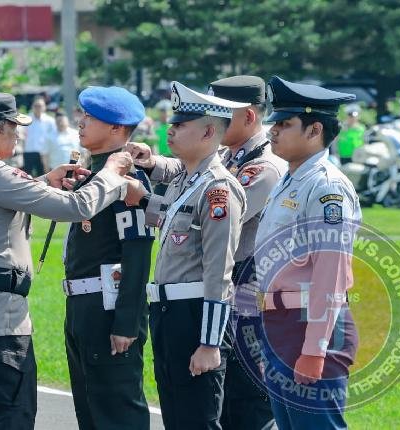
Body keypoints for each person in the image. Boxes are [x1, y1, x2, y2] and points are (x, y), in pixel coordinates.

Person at [0, 92, 142, 430]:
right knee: (7, 418)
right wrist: (111, 173)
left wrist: (42, 183)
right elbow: (77, 207)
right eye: (13, 129)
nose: (18, 136)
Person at [128, 76, 286, 429]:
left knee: (241, 409)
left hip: (238, 297)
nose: (172, 130)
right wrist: (153, 163)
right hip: (199, 301)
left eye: (225, 111)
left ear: (246, 116)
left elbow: (204, 213)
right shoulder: (231, 157)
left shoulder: (262, 168)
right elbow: (192, 177)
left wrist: (145, 200)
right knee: (193, 408)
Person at [136, 81, 247, 429]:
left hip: (195, 315)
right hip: (168, 313)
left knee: (197, 419)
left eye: (181, 124)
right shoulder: (185, 182)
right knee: (176, 416)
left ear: (209, 132)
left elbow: (219, 270)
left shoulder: (218, 189)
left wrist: (210, 343)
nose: (170, 130)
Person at [255, 76, 361, 430]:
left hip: (309, 325)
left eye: (285, 124)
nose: (273, 130)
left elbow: (330, 275)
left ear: (315, 130)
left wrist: (315, 349)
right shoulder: (292, 179)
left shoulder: (327, 187)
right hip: (282, 323)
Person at [62, 86, 154, 429]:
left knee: (118, 415)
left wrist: (126, 322)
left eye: (91, 117)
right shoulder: (96, 175)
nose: (81, 122)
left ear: (116, 128)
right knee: (90, 413)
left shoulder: (125, 179)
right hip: (82, 308)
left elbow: (137, 253)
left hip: (109, 309)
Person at [23, 96, 56, 176]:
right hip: (29, 151)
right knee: (26, 175)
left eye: (40, 106)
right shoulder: (26, 119)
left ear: (44, 107)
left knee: (42, 176)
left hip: (43, 153)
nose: (38, 108)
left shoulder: (50, 121)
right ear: (32, 107)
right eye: (36, 106)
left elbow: (53, 136)